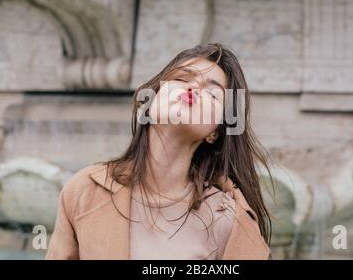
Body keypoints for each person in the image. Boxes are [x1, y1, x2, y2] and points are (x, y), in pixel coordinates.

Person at [46, 43, 273, 260]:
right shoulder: (84, 190)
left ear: (214, 133)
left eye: (212, 94)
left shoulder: (227, 220)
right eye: (181, 78)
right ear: (151, 102)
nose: (193, 88)